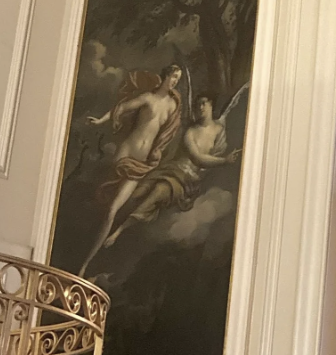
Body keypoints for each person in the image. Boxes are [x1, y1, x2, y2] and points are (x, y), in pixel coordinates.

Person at [99, 94, 240, 250]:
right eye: (198, 105)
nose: (200, 108)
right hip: (171, 170)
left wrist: (223, 161)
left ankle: (118, 231)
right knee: (137, 193)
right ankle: (106, 223)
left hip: (186, 181)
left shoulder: (220, 131)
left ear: (211, 104)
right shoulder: (190, 132)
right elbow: (198, 158)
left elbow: (207, 160)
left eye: (204, 103)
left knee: (158, 191)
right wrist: (224, 161)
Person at [79, 64, 183, 275]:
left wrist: (158, 150)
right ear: (165, 76)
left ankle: (85, 265)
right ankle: (80, 254)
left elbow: (166, 135)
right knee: (101, 203)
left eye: (178, 79)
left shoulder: (172, 106)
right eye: (173, 77)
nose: (174, 82)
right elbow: (121, 108)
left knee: (112, 210)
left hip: (142, 163)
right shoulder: (148, 98)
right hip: (125, 153)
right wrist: (100, 121)